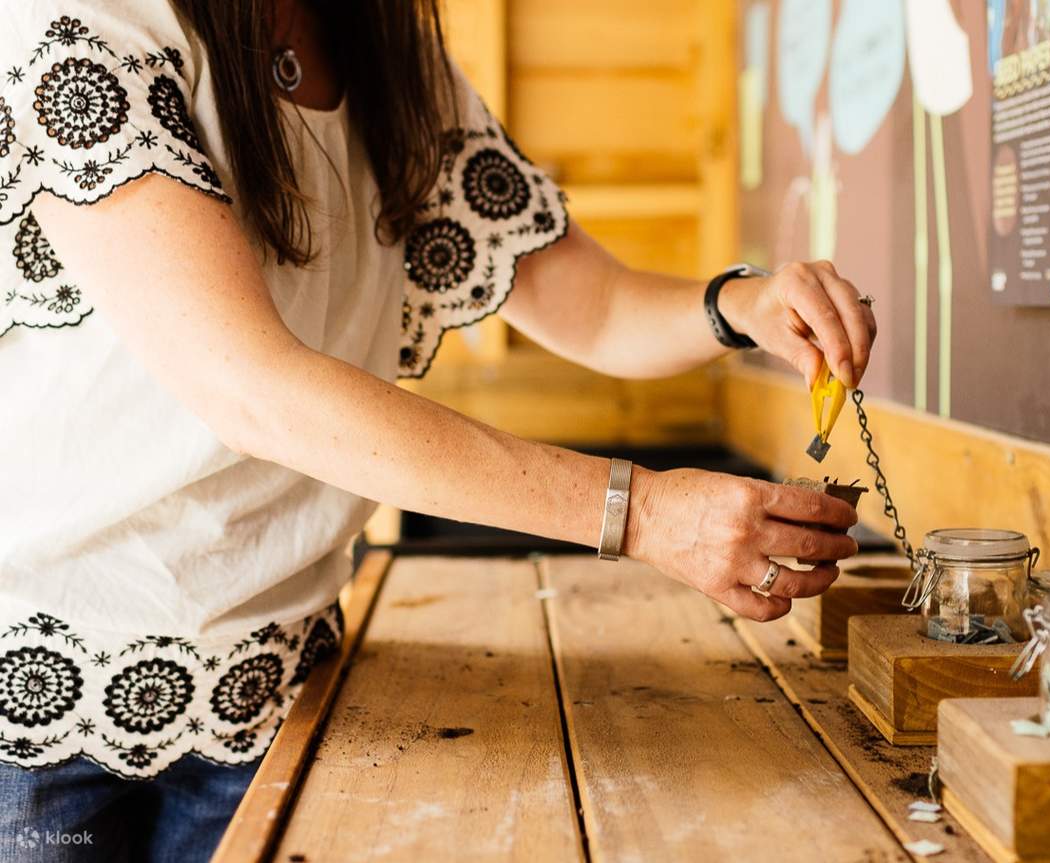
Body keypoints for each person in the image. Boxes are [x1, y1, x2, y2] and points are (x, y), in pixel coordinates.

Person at [0, 1, 876, 859]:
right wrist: (639, 513)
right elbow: (250, 387)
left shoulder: (388, 54)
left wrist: (743, 302)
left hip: (273, 685)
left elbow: (595, 304)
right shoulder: (82, 27)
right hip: (39, 700)